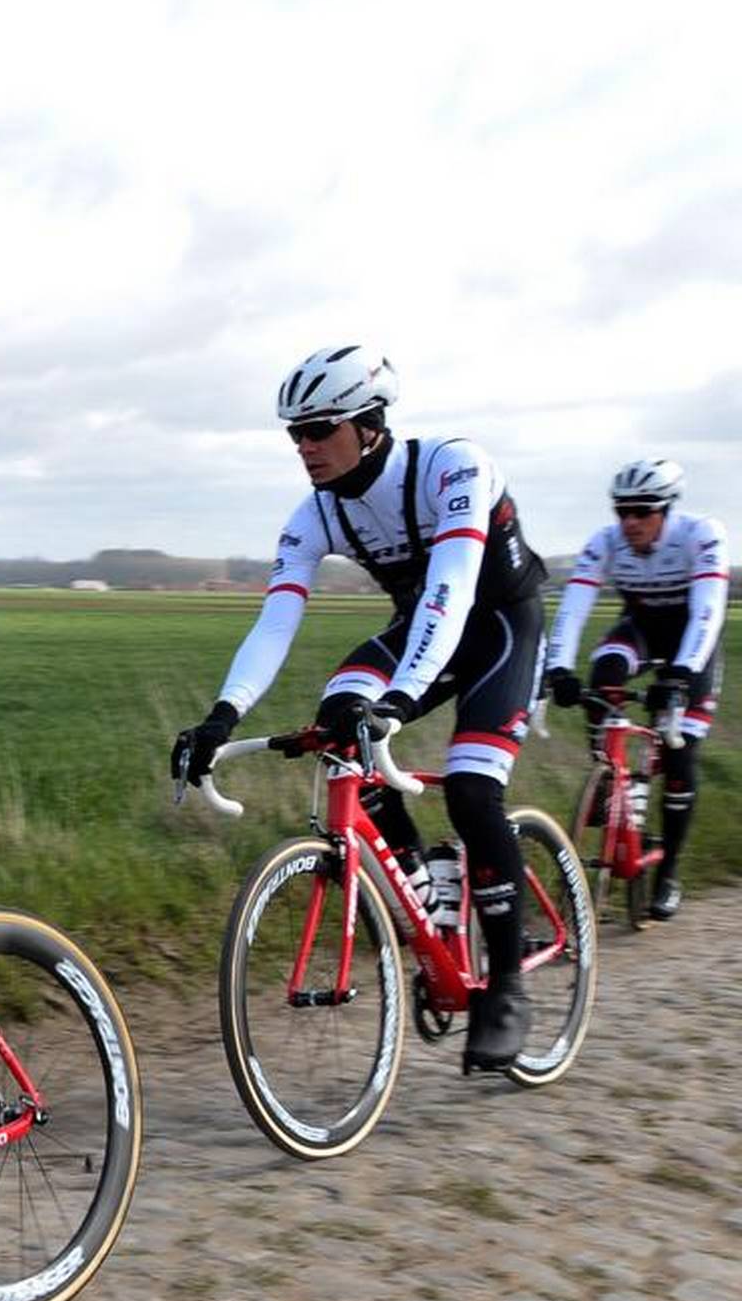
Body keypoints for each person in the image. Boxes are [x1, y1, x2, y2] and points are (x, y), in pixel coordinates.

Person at [173, 345, 547, 1071]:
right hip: (424, 629)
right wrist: (223, 713)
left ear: (370, 425)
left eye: (318, 429)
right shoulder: (314, 514)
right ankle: (420, 876)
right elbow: (277, 619)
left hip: (497, 624)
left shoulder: (452, 466)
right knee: (339, 720)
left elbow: (453, 590)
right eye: (294, 434)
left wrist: (402, 700)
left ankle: (505, 986)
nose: (305, 447)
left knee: (473, 790)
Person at [543, 458, 727, 918]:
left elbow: (707, 612)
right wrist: (560, 669)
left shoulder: (701, 535)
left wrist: (681, 677)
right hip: (640, 633)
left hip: (691, 645)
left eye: (642, 511)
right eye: (622, 510)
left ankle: (668, 874)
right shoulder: (605, 543)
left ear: (666, 510)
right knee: (604, 671)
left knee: (681, 753)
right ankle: (611, 774)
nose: (630, 522)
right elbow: (572, 610)